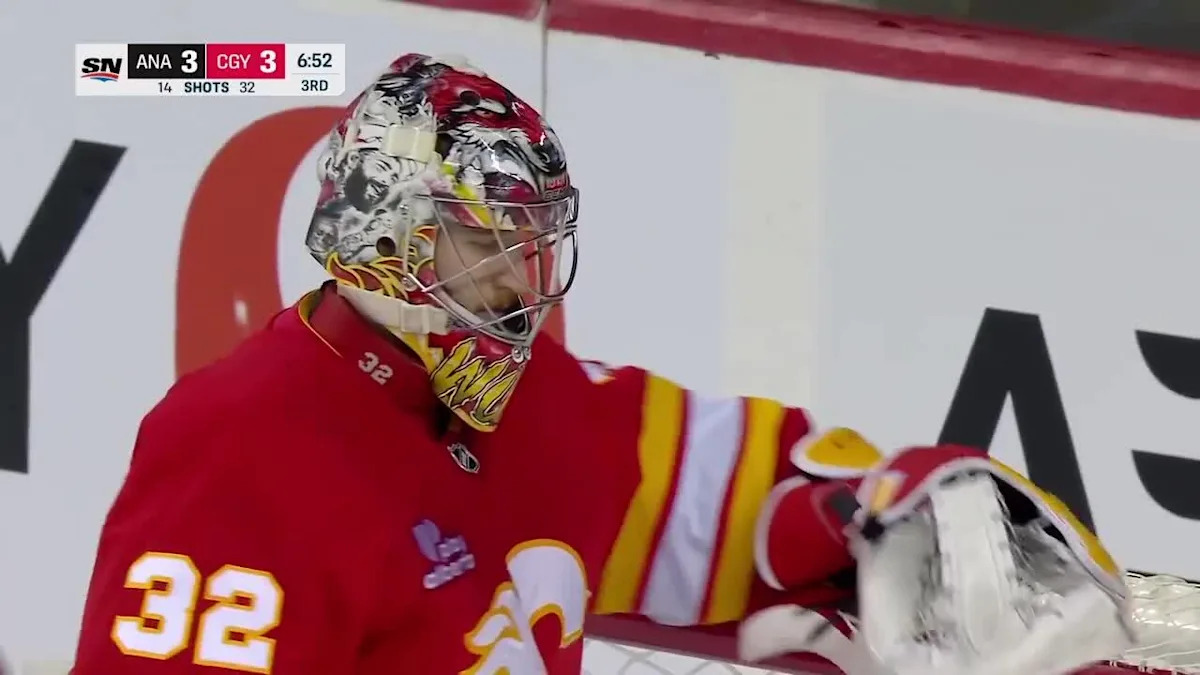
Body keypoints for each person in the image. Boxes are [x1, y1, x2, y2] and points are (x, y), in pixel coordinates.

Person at [71, 53, 1134, 674]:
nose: (518, 279)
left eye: (533, 240)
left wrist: (876, 515)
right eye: (484, 240)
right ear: (383, 233)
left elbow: (739, 498)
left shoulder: (535, 409)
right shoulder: (238, 452)